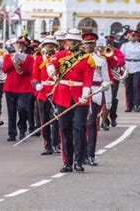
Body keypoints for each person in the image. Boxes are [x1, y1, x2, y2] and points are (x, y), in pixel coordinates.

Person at [49, 28, 95, 173]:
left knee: (79, 129)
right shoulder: (60, 55)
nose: (72, 43)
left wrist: (86, 92)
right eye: (71, 41)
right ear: (67, 41)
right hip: (62, 96)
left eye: (75, 41)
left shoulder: (87, 58)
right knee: (65, 129)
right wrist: (51, 68)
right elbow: (53, 63)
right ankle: (67, 162)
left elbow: (88, 79)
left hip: (80, 97)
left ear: (79, 42)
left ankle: (78, 161)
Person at [82, 33, 111, 166]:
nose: (88, 46)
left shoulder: (101, 60)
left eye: (91, 44)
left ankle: (91, 154)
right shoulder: (77, 59)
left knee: (91, 124)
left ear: (95, 45)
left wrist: (108, 101)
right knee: (79, 125)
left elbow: (106, 80)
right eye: (86, 43)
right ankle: (81, 154)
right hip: (80, 93)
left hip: (96, 92)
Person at [31, 36, 60, 155]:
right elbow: (33, 76)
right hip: (42, 91)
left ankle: (56, 144)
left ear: (55, 47)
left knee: (56, 118)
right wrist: (36, 84)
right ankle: (47, 145)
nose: (49, 47)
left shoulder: (59, 58)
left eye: (51, 45)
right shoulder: (39, 59)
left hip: (55, 90)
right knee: (44, 119)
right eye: (47, 45)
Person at [2, 36, 34, 141]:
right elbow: (5, 69)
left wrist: (22, 63)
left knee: (22, 109)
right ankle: (12, 133)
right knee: (11, 111)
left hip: (24, 88)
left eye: (22, 45)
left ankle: (22, 129)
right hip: (10, 87)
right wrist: (13, 61)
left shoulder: (29, 58)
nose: (20, 47)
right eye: (18, 45)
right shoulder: (8, 56)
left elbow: (30, 71)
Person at [120, 30, 140, 112]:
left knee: (136, 87)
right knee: (128, 87)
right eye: (131, 36)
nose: (133, 37)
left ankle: (136, 105)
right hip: (127, 66)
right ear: (129, 37)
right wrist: (122, 69)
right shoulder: (124, 46)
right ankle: (129, 106)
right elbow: (121, 57)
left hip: (138, 66)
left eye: (134, 36)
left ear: (137, 37)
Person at [104, 35, 126, 128]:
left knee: (111, 99)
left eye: (111, 43)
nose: (109, 44)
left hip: (114, 78)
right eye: (108, 43)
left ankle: (113, 116)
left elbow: (121, 62)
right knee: (103, 100)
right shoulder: (102, 51)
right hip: (104, 78)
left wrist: (113, 59)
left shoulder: (118, 52)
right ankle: (104, 120)